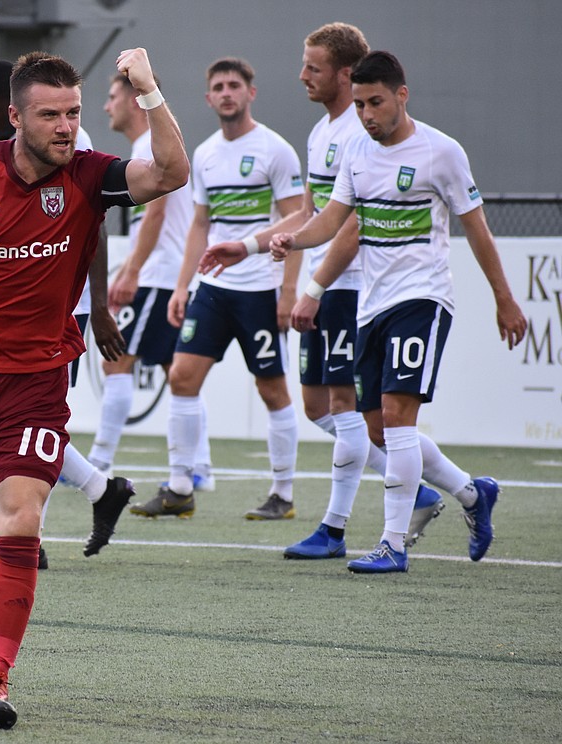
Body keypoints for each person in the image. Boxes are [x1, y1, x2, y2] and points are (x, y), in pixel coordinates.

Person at [0, 47, 189, 728]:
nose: (67, 126)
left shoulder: (88, 175)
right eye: (51, 115)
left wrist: (151, 91)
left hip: (37, 383)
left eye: (74, 113)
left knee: (21, 521)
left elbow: (171, 171)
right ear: (15, 117)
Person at [200, 50, 527, 573]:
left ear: (402, 95)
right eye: (360, 105)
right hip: (369, 306)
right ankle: (472, 494)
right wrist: (272, 243)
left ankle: (392, 545)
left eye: (376, 102)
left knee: (396, 419)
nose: (368, 114)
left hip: (421, 299)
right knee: (375, 429)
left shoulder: (441, 153)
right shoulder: (356, 151)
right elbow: (330, 221)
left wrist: (504, 298)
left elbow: (478, 229)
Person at [204, 24, 443, 559]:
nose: (302, 75)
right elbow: (311, 215)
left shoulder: (364, 131)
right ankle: (456, 488)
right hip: (328, 284)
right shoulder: (320, 133)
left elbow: (354, 222)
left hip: (354, 285)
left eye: (312, 67)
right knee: (319, 408)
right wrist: (248, 245)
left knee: (349, 407)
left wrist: (311, 285)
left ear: (344, 73)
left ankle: (334, 529)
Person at [0, 59, 131, 572]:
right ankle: (101, 490)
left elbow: (95, 223)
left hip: (62, 306)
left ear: (13, 111)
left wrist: (98, 305)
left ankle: (29, 535)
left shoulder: (67, 143)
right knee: (15, 423)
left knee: (25, 423)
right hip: (10, 305)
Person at [129, 57, 304, 521]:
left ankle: (283, 494)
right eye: (218, 87)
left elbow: (298, 220)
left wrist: (288, 291)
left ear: (251, 92)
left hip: (260, 289)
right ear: (209, 98)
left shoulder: (275, 150)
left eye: (234, 85)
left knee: (271, 390)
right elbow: (200, 226)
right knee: (182, 376)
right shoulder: (203, 154)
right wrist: (182, 286)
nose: (226, 93)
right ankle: (180, 488)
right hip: (213, 288)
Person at [85, 72, 214, 489]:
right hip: (165, 273)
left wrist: (132, 271)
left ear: (131, 100)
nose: (106, 106)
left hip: (158, 275)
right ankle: (201, 468)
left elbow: (155, 214)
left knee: (116, 360)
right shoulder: (151, 146)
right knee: (178, 371)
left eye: (110, 97)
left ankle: (99, 461)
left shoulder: (147, 148)